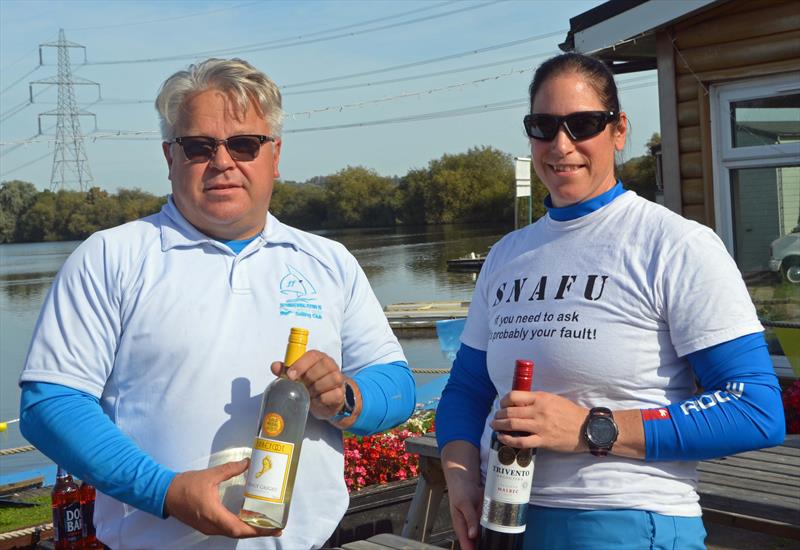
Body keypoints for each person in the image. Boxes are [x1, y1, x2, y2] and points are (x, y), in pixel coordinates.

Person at [19, 57, 415, 549]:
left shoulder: (327, 261)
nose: (223, 162)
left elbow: (397, 385)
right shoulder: (110, 256)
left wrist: (345, 397)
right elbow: (51, 403)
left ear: (275, 156)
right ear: (170, 157)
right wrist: (165, 491)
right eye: (199, 147)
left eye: (245, 144)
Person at [435, 52, 785, 550]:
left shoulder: (674, 244)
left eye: (583, 124)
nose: (561, 145)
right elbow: (467, 391)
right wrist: (461, 474)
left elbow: (755, 408)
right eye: (543, 126)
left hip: (628, 522)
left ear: (618, 130)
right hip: (505, 521)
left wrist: (588, 428)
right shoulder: (506, 255)